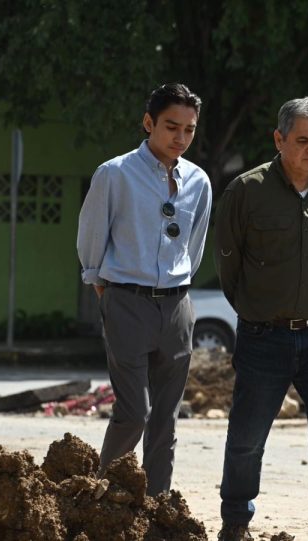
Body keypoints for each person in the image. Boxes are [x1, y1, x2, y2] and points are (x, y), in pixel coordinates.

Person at [214, 97, 308, 541]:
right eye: (303, 140)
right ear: (279, 139)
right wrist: (257, 309)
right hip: (264, 336)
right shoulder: (246, 190)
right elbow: (228, 264)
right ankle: (235, 521)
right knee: (247, 436)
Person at [76, 83, 212, 496]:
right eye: (172, 126)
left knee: (166, 419)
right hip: (126, 301)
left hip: (176, 307)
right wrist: (104, 287)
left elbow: (194, 246)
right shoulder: (114, 174)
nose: (181, 137)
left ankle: (157, 507)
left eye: (189, 129)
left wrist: (176, 286)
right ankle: (101, 498)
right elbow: (92, 238)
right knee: (134, 412)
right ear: (149, 122)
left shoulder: (199, 181)